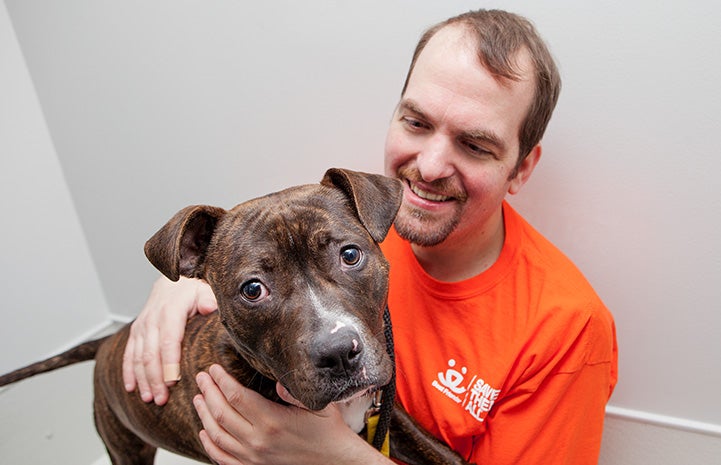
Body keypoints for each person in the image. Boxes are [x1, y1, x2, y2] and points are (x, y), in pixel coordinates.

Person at [122, 9, 618, 465]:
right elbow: (259, 248)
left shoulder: (565, 330)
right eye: (417, 122)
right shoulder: (348, 220)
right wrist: (184, 283)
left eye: (475, 144)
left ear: (520, 168)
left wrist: (333, 457)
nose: (428, 167)